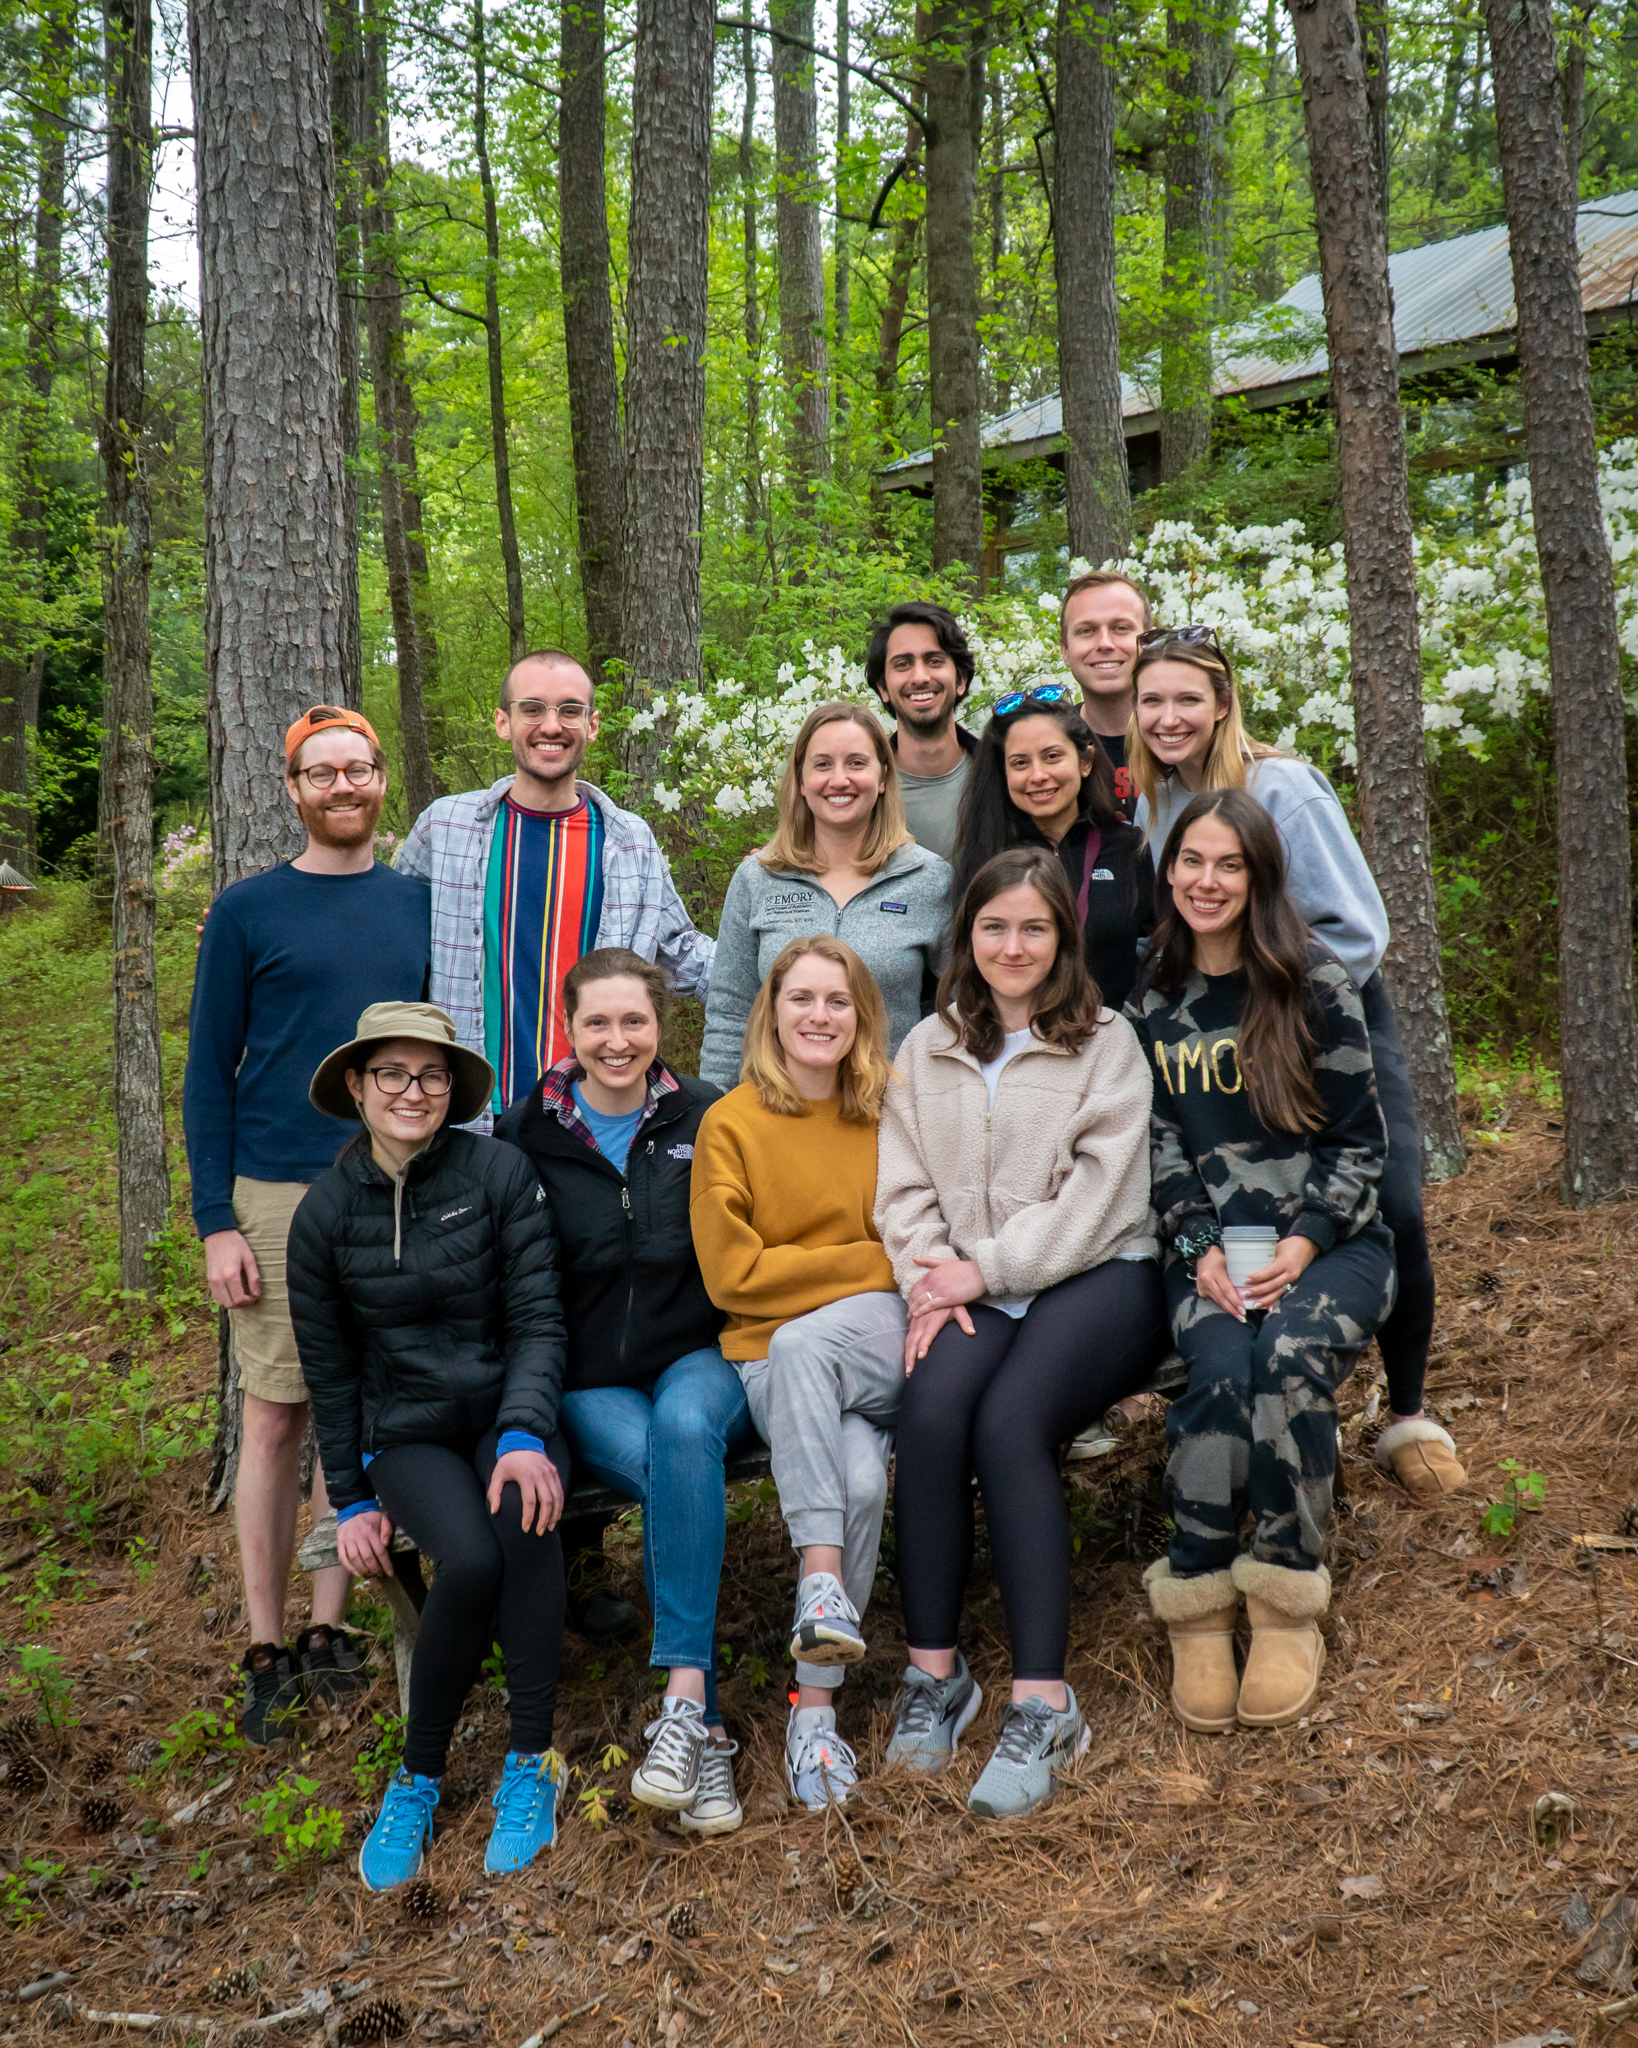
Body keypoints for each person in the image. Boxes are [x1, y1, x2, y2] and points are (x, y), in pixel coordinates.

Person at [398, 647, 715, 1635]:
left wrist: (808, 948)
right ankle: (492, 1548)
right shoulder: (449, 829)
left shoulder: (627, 841)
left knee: (576, 1307)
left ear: (589, 724)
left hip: (586, 1123)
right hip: (477, 1128)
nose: (551, 724)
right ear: (502, 723)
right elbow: (386, 936)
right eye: (532, 708)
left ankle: (577, 1567)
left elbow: (684, 955)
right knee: (490, 1326)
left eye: (570, 709)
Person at [1129, 628, 1464, 1501]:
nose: (1169, 718)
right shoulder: (1155, 802)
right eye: (1152, 701)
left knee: (1389, 1197)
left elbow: (1357, 929)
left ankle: (1409, 1411)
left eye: (1186, 699)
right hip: (1219, 1027)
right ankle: (1265, 1381)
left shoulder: (1283, 786)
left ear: (1223, 702)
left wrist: (1279, 1011)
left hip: (1324, 1013)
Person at [876, 848, 1168, 1817]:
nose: (1012, 944)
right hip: (965, 1282)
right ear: (967, 936)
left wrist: (987, 1267)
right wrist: (930, 1278)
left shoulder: (1106, 1042)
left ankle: (1044, 1699)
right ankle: (935, 1673)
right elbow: (903, 1184)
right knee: (929, 1412)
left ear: (1063, 940)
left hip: (1099, 1275)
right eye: (994, 926)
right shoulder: (928, 1045)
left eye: (1033, 927)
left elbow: (1103, 1194)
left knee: (1009, 1422)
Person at [182, 705, 431, 1745]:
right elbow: (208, 1073)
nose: (341, 785)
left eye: (358, 768)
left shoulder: (421, 902)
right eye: (320, 771)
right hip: (276, 1189)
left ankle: (334, 1625)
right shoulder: (247, 910)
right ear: (292, 789)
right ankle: (266, 1639)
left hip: (391, 1182)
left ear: (382, 781)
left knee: (360, 1408)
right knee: (278, 1410)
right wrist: (214, 1221)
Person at [1127, 791, 1397, 1732]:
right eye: (1191, 862)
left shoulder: (1312, 981)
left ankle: (1286, 1595)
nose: (1207, 881)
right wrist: (1198, 1246)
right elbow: (1156, 1146)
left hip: (1331, 1245)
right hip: (1210, 1255)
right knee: (1216, 1370)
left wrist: (1304, 1240)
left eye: (1228, 865)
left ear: (1258, 877)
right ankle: (1198, 1599)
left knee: (1285, 1359)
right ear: (1169, 872)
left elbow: (1363, 1144)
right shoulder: (1152, 993)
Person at [287, 1002, 571, 1889]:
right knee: (472, 1563)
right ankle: (418, 1777)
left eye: (433, 1075)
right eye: (394, 1075)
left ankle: (532, 1764)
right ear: (358, 1087)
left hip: (504, 1412)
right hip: (405, 1432)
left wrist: (525, 1430)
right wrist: (354, 1497)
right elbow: (330, 1374)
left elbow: (537, 1320)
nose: (414, 1092)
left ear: (454, 1088)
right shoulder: (324, 1216)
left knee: (527, 1513)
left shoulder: (499, 1172)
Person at [497, 949, 753, 1838]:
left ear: (661, 1027)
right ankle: (705, 1724)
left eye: (634, 1022)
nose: (617, 1040)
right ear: (568, 1029)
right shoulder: (525, 1132)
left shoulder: (707, 1113)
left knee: (686, 1428)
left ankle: (682, 1708)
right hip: (590, 1377)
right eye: (598, 1023)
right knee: (664, 1458)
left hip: (699, 1352)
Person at [691, 936, 906, 1810]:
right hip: (767, 1358)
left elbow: (913, 1248)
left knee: (803, 1342)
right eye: (802, 999)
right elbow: (731, 1277)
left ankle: (817, 1576)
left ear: (861, 1017)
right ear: (770, 1013)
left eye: (838, 1001)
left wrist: (835, 1269)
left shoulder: (888, 1109)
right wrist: (867, 1258)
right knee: (857, 1480)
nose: (819, 1016)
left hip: (871, 1341)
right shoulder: (730, 1123)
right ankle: (813, 1713)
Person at [699, 701, 951, 1088]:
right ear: (800, 780)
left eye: (856, 763)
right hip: (777, 1114)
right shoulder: (759, 878)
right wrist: (715, 1113)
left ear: (883, 776)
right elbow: (730, 1013)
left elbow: (960, 1008)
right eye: (822, 764)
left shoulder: (928, 879)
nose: (839, 779)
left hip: (889, 1117)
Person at [950, 688, 1154, 1013]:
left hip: (1113, 1042)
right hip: (1014, 1044)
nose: (1038, 775)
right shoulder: (986, 857)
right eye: (1020, 763)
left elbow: (1164, 958)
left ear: (1085, 762)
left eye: (1052, 756)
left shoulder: (1131, 850)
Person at [865, 599, 979, 862]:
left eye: (934, 660)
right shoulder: (859, 787)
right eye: (902, 664)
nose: (920, 677)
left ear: (961, 679)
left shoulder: (1003, 775)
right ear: (883, 688)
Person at [1058, 570, 1153, 822]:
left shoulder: (1184, 737)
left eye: (1120, 628)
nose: (1105, 643)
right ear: (1065, 650)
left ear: (1147, 642)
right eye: (1087, 631)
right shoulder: (1048, 746)